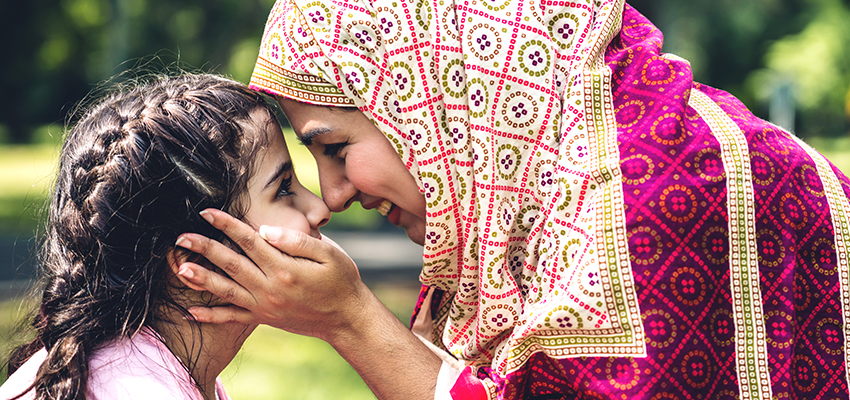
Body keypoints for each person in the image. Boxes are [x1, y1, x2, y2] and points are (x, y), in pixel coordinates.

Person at [172, 0, 850, 398]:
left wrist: (351, 321)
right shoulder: (562, 182)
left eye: (335, 148)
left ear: (431, 99)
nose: (336, 195)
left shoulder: (652, 191)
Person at [0, 73, 331, 400]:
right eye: (283, 188)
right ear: (193, 261)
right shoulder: (136, 388)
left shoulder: (145, 368)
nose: (320, 208)